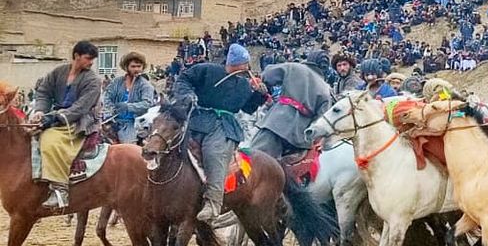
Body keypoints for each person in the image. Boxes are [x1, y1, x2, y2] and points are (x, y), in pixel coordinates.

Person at [173, 44, 269, 221]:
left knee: (214, 154)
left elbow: (248, 108)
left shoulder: (244, 85)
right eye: (244, 64)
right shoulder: (207, 70)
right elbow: (183, 79)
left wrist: (259, 96)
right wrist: (187, 95)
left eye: (247, 65)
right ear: (234, 63)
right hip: (196, 118)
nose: (247, 69)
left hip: (223, 126)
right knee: (168, 144)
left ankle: (213, 203)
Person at [30, 41, 102, 208]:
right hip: (54, 115)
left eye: (93, 59)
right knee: (28, 133)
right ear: (76, 56)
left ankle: (60, 190)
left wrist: (54, 118)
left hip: (80, 121)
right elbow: (43, 93)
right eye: (88, 58)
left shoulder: (93, 80)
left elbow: (81, 108)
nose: (91, 62)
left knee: (50, 139)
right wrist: (40, 111)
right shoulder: (58, 72)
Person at [249, 50, 332, 158]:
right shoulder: (326, 90)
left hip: (277, 124)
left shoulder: (295, 68)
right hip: (300, 139)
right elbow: (320, 122)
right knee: (283, 172)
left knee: (253, 162)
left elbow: (268, 74)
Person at [103, 52, 156, 144]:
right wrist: (110, 111)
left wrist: (128, 106)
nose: (136, 69)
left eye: (139, 66)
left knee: (128, 147)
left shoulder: (145, 85)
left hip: (132, 123)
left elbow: (147, 103)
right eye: (133, 66)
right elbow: (107, 96)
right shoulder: (117, 82)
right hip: (113, 119)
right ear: (127, 67)